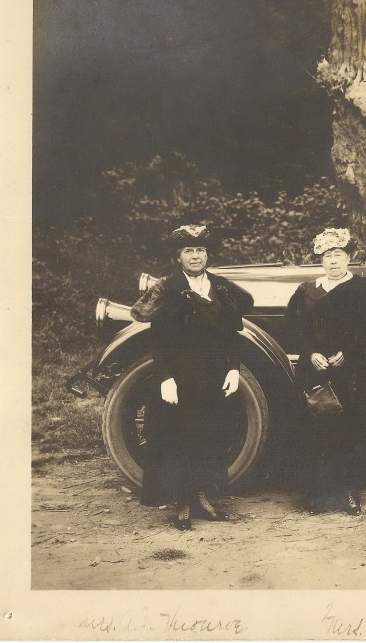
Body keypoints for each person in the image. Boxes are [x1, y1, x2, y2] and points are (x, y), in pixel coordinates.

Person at [130, 224, 253, 530]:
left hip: (214, 375)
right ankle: (183, 502)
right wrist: (165, 377)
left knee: (210, 436)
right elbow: (157, 340)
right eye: (189, 251)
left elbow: (233, 333)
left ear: (207, 255)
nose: (195, 256)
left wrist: (234, 369)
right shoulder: (167, 288)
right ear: (178, 257)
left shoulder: (221, 287)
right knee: (180, 437)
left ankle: (202, 497)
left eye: (200, 250)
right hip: (180, 376)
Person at [284, 228, 366, 515]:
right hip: (316, 372)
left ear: (349, 258)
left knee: (349, 431)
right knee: (316, 429)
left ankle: (349, 492)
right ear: (320, 260)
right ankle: (317, 495)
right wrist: (312, 353)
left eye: (339, 255)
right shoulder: (307, 291)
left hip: (350, 373)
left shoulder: (364, 290)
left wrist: (352, 349)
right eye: (327, 256)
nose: (333, 261)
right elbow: (293, 328)